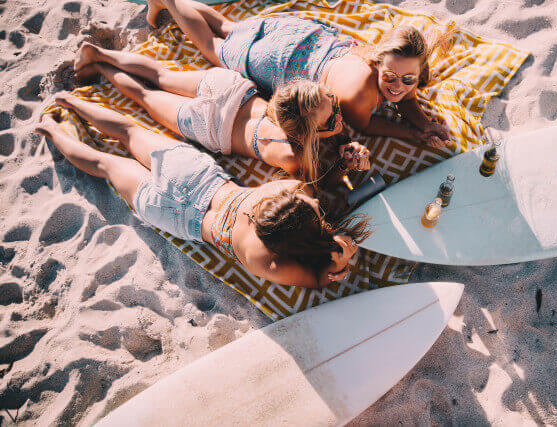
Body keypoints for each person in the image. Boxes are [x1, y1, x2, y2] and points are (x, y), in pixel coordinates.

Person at [36, 93, 372, 287]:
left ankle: (65, 103)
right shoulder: (263, 260)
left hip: (195, 177)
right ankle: (51, 129)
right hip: (174, 215)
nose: (312, 201)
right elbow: (320, 278)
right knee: (104, 164)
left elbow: (309, 197)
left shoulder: (287, 190)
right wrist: (339, 262)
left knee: (127, 131)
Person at [137, 0, 452, 147]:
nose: (398, 87)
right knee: (212, 46)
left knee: (228, 27)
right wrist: (412, 134)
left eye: (408, 80)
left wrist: (425, 122)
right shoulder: (360, 95)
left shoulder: (397, 65)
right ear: (379, 63)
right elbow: (366, 126)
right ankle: (168, 2)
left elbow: (405, 99)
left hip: (302, 35)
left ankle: (167, 2)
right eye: (390, 78)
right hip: (277, 61)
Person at [73, 43, 371, 182]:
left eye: (334, 104)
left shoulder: (297, 107)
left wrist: (340, 139)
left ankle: (99, 53)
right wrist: (346, 165)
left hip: (230, 89)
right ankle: (100, 67)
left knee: (161, 76)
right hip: (209, 124)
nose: (340, 116)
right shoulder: (292, 154)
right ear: (306, 132)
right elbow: (322, 180)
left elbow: (327, 132)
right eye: (332, 116)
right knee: (145, 95)